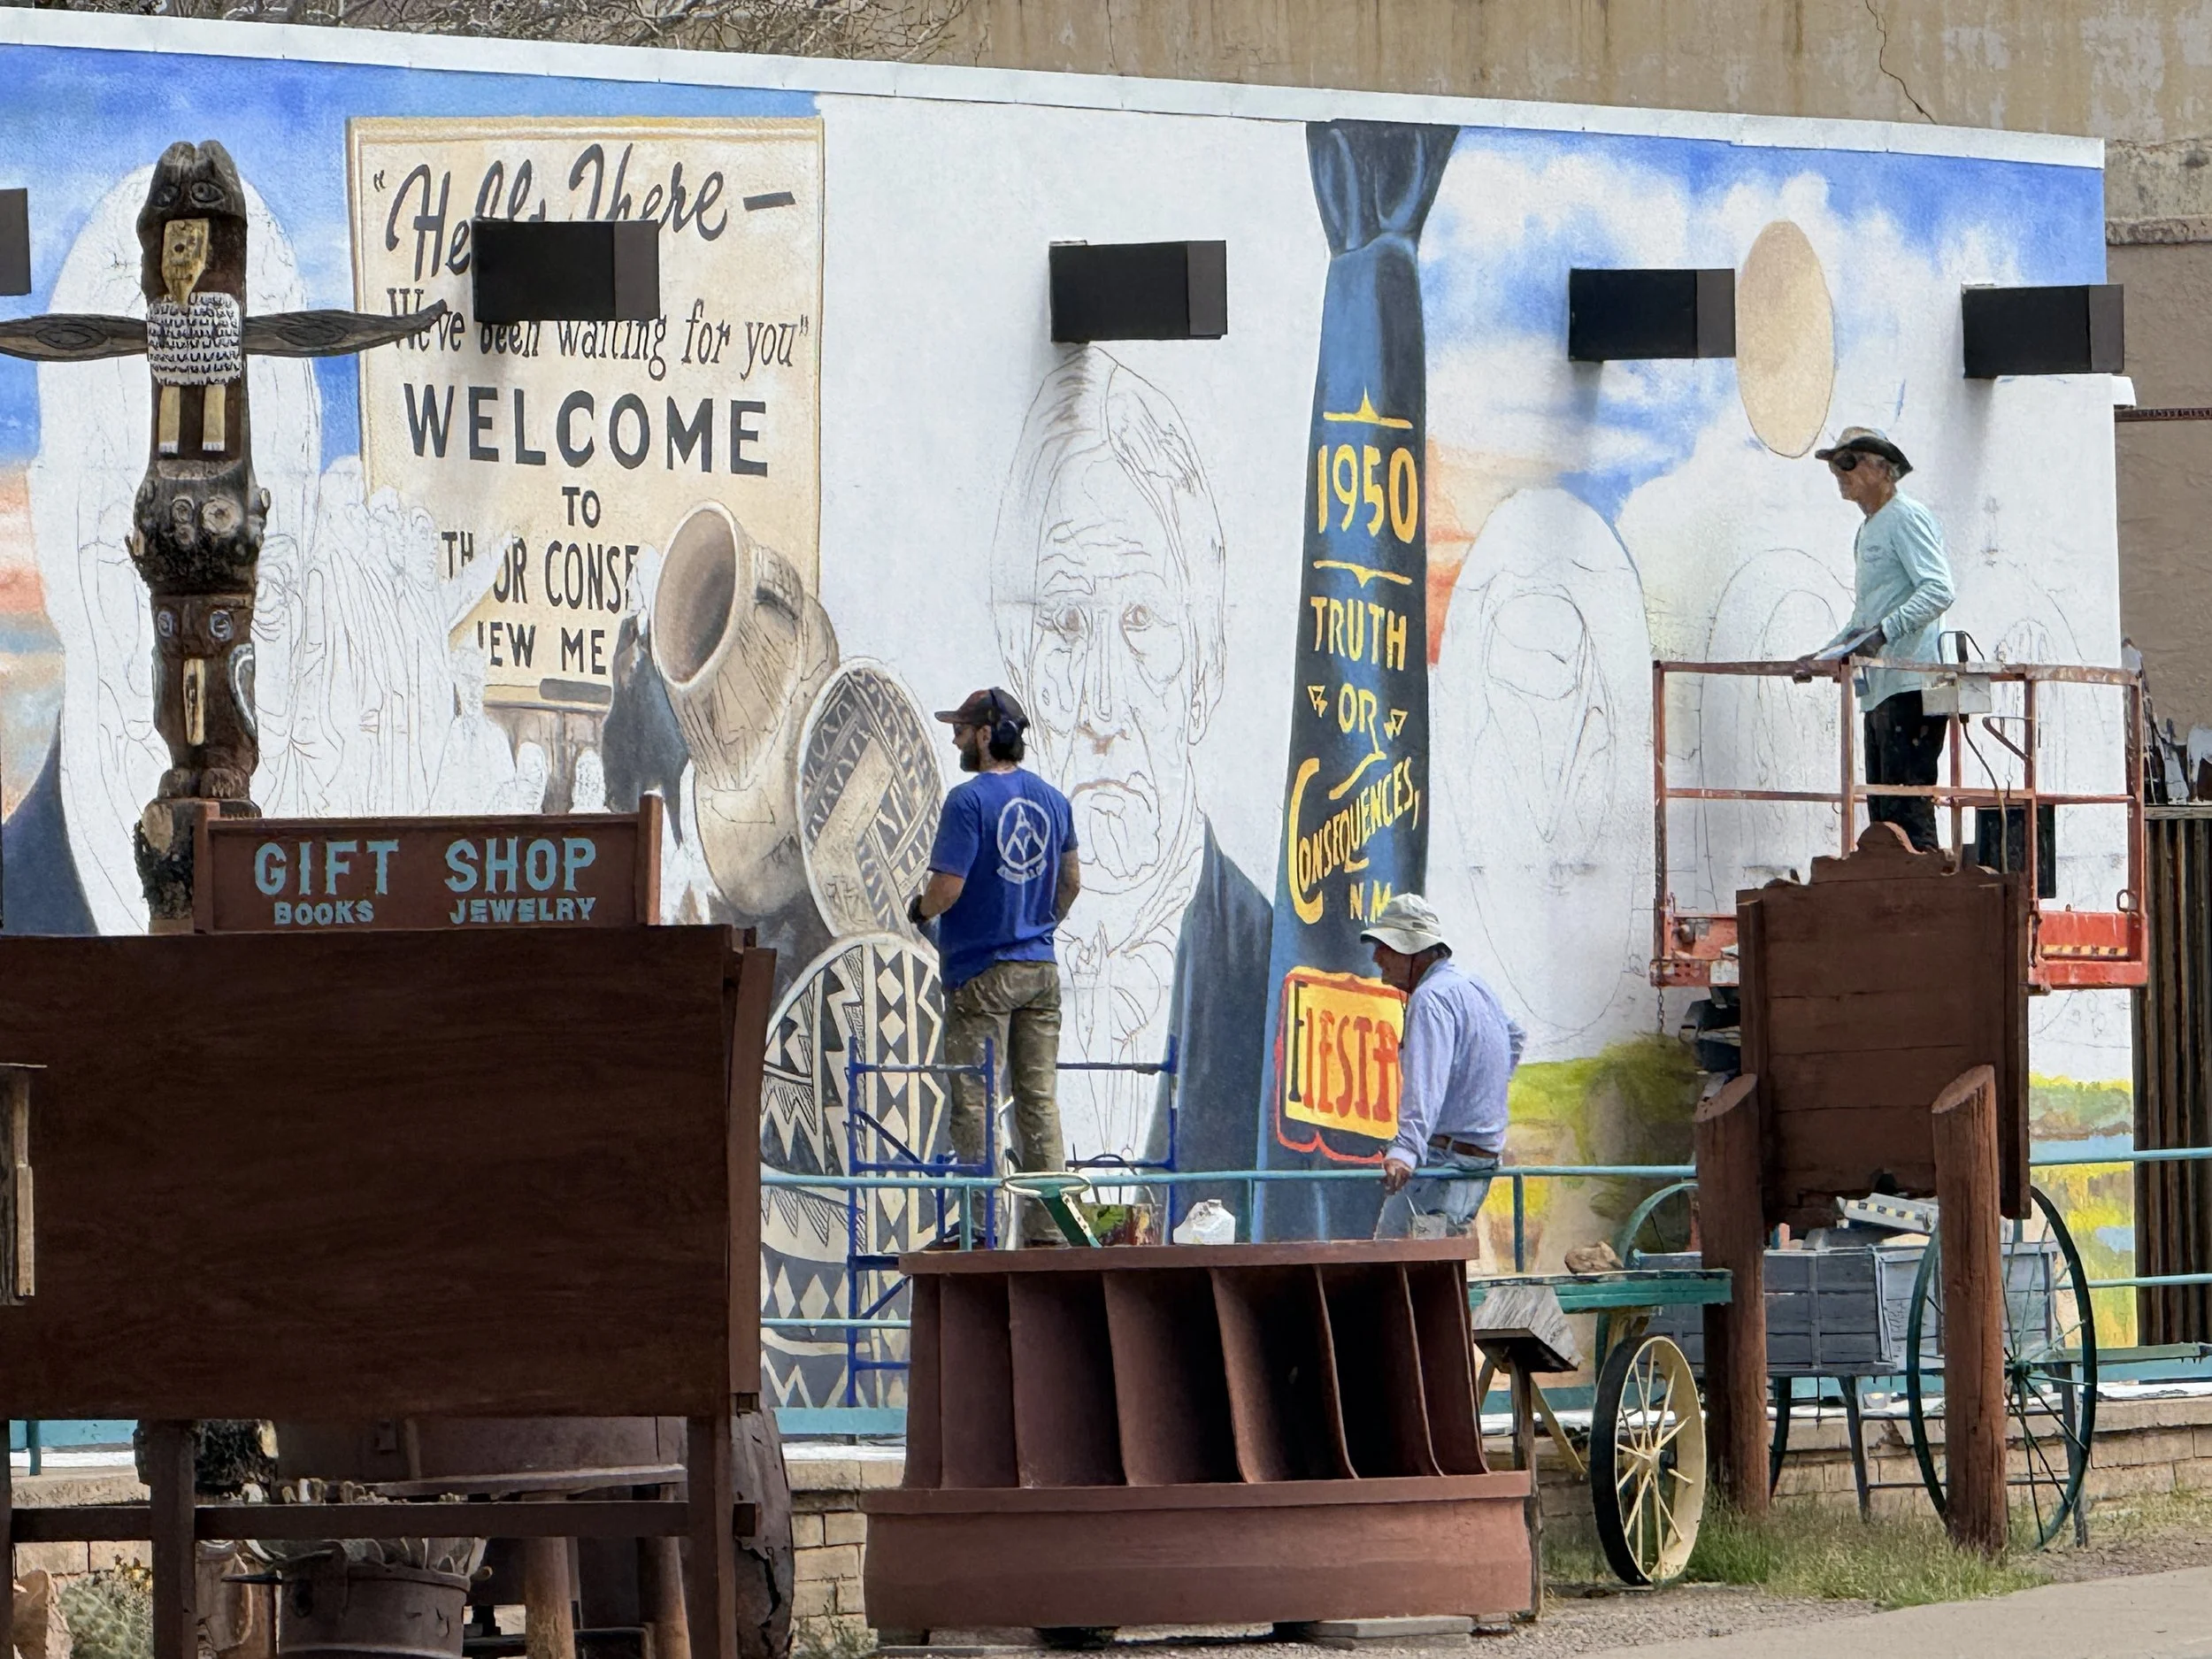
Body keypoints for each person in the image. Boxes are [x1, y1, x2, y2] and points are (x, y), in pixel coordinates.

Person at [909, 687, 1081, 1243]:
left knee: (976, 1101)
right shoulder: (1054, 801)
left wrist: (920, 910)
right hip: (1040, 971)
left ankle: (981, 1231)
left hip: (981, 974)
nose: (956, 741)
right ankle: (1050, 1231)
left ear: (986, 735)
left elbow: (947, 886)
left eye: (961, 731)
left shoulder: (967, 802)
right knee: (1038, 1101)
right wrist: (1042, 925)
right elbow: (1072, 882)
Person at [1793, 426, 1956, 852]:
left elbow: (1938, 589)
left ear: (1884, 469)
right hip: (1882, 688)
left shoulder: (1905, 517)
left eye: (1849, 463)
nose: (1839, 473)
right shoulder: (1869, 529)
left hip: (1913, 685)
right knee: (1884, 814)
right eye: (1836, 465)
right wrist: (1827, 655)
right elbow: (1866, 616)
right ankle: (1899, 886)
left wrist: (1885, 632)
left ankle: (1924, 886)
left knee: (1908, 810)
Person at [1359, 893, 1525, 1240]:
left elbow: (1425, 1084)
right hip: (1475, 1161)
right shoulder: (1472, 985)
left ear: (1412, 951)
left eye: (1386, 947)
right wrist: (1479, 1092)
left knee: (1395, 1254)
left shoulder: (1430, 998)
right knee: (1430, 1257)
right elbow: (1515, 1037)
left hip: (1445, 1164)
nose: (1377, 958)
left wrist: (1405, 1150)